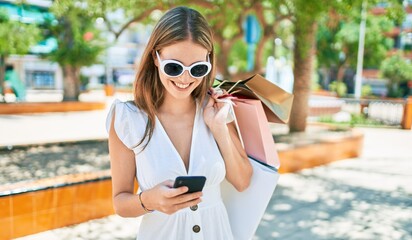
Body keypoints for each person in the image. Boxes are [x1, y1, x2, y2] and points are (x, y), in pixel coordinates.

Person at [106, 6, 252, 240]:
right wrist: (149, 200)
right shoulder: (127, 118)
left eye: (198, 69)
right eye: (174, 67)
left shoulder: (218, 109)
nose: (185, 78)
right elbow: (120, 203)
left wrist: (218, 128)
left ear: (208, 62)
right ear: (155, 57)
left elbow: (243, 181)